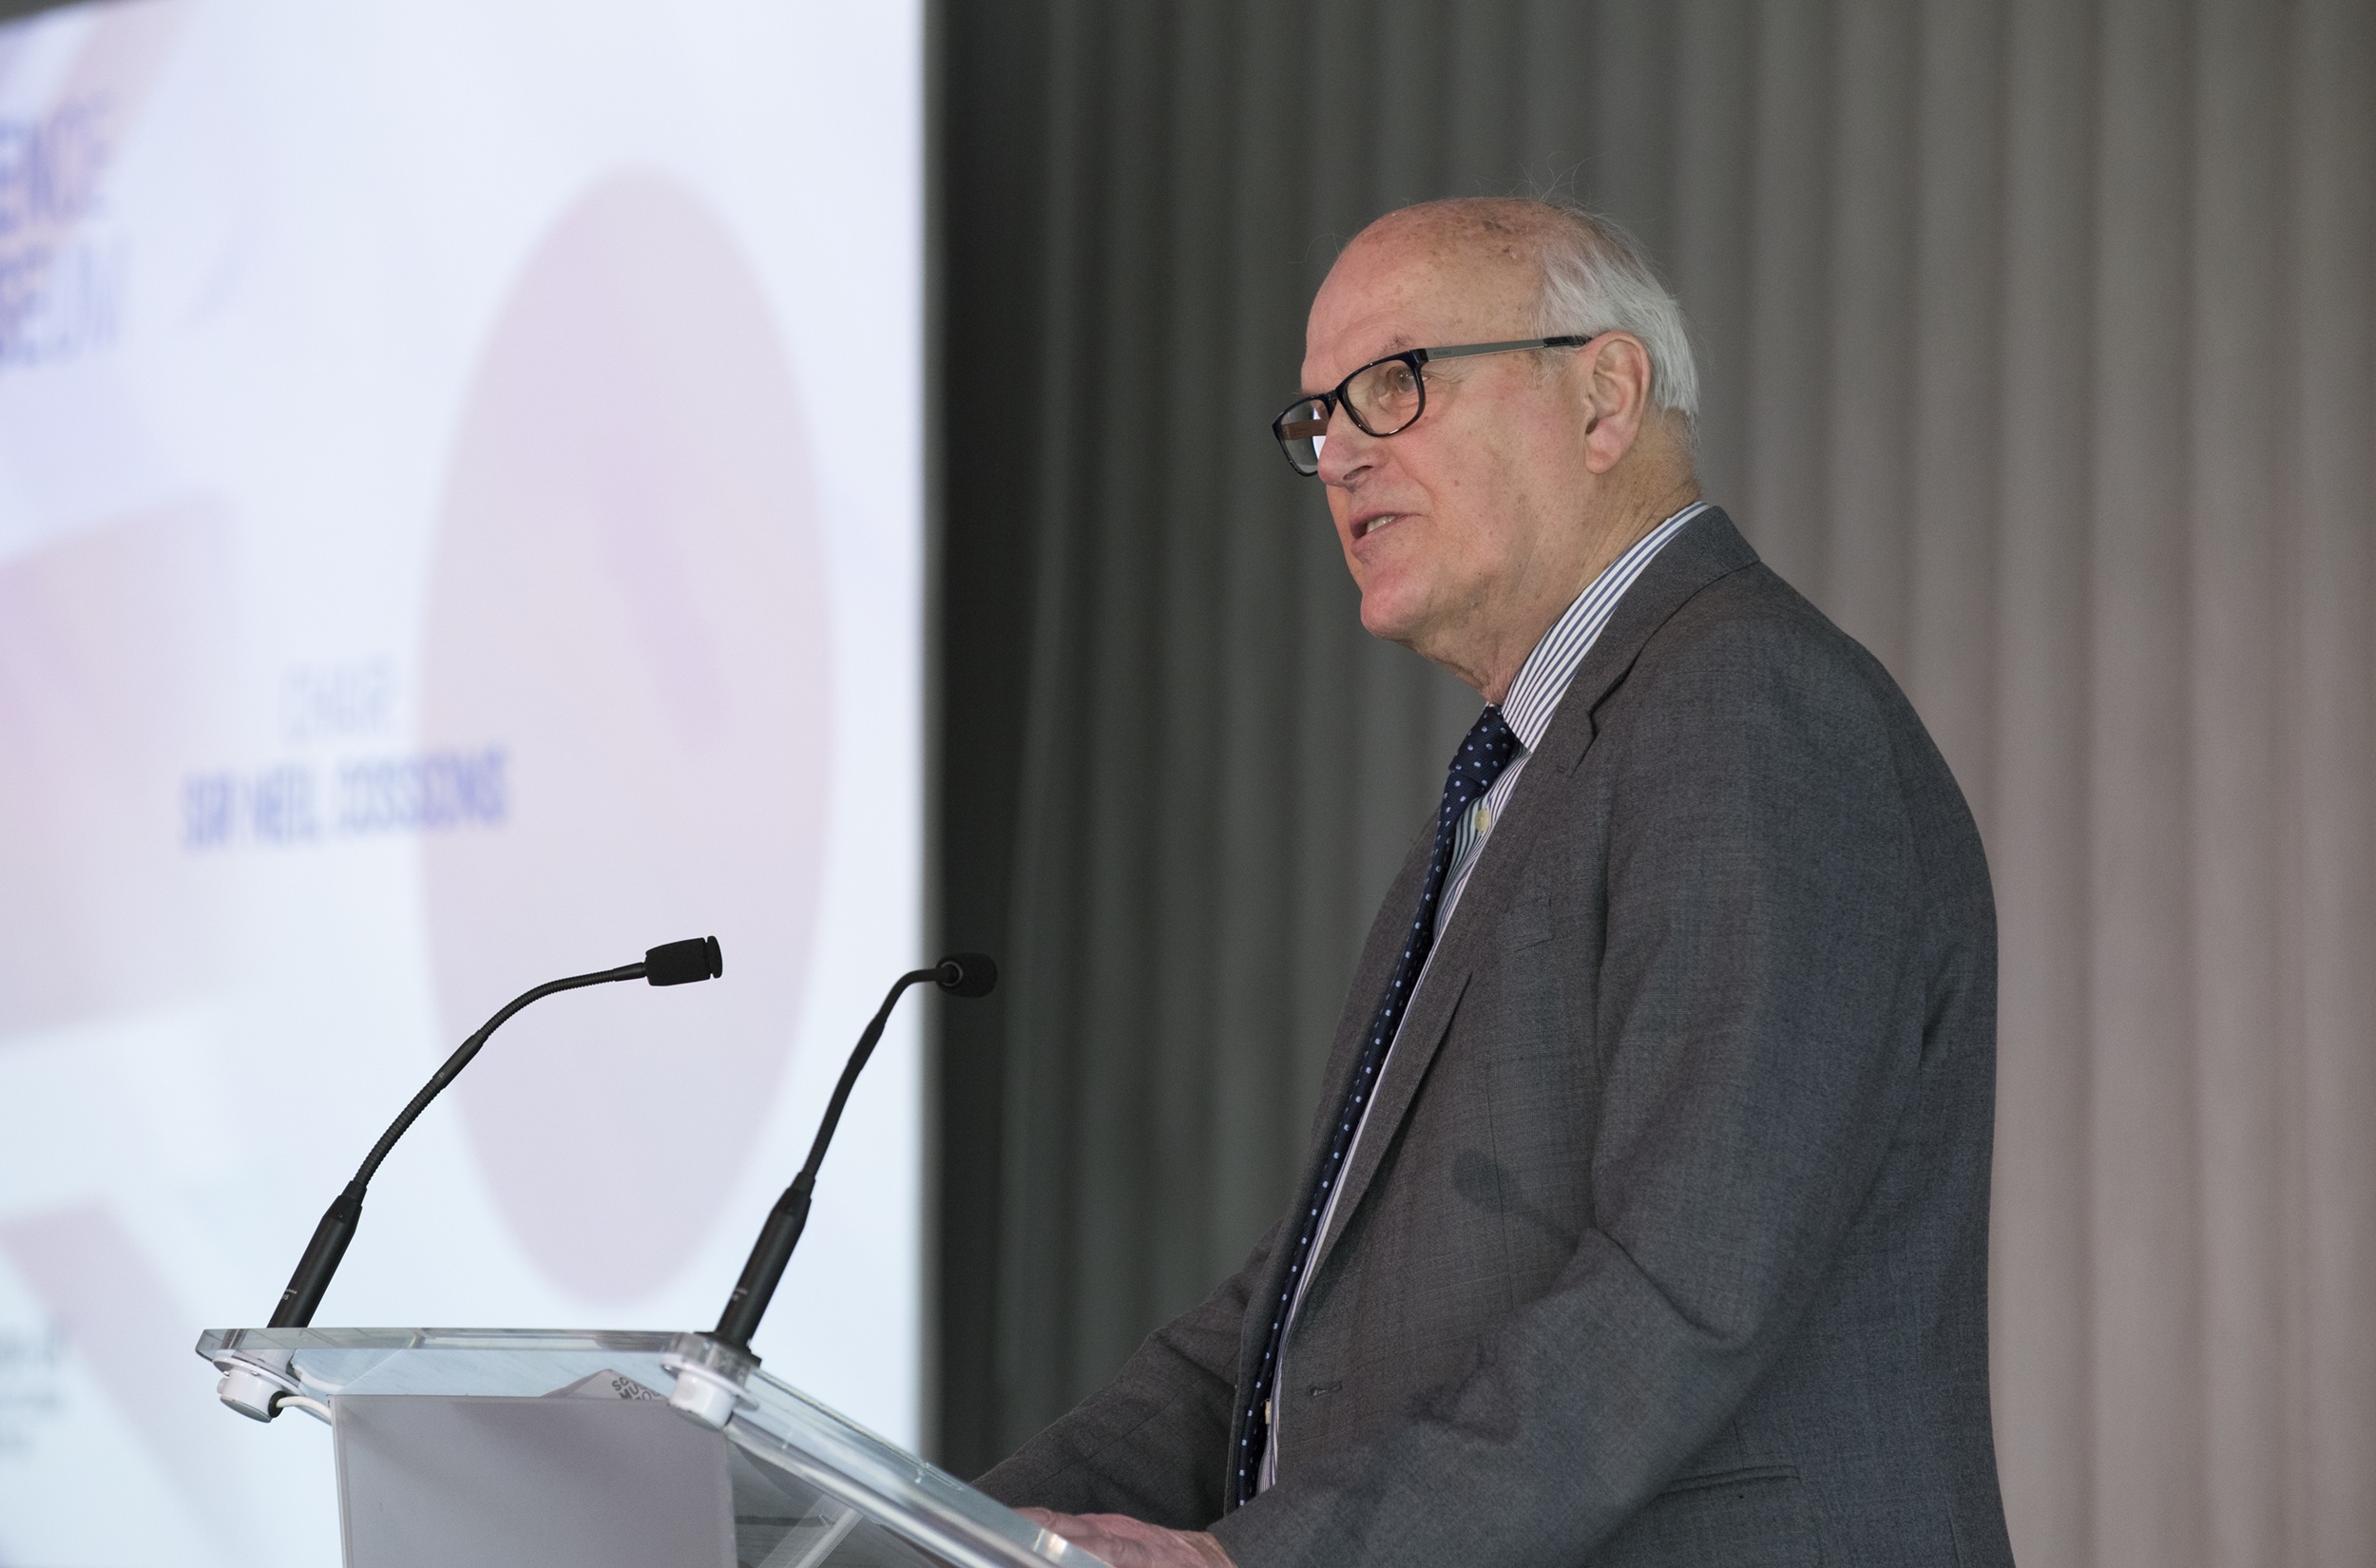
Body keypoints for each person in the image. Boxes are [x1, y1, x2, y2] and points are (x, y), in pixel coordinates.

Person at [978, 198, 2015, 1568]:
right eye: (1316, 420)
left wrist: (1256, 1558)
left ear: (1603, 397)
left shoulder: (1746, 705)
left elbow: (1685, 1282)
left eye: (1392, 386)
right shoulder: (1515, 779)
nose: (1339, 452)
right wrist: (927, 1530)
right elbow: (1287, 1317)